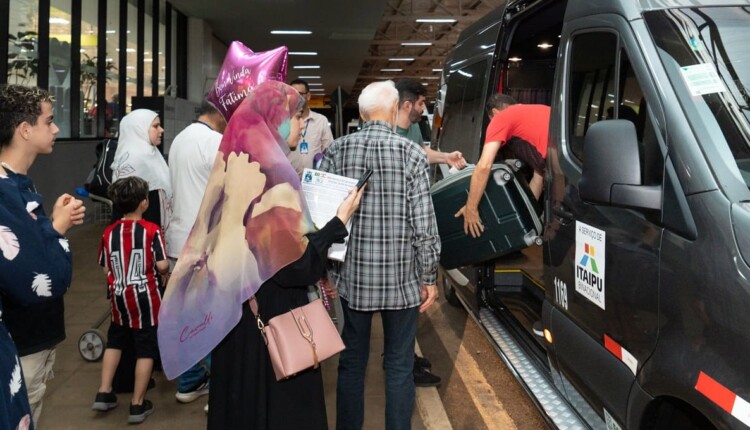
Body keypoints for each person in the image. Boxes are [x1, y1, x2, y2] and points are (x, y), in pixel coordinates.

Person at [156, 81, 364, 429]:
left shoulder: (238, 168)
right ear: (277, 122)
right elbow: (297, 268)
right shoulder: (275, 177)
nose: (300, 125)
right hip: (274, 320)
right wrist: (337, 223)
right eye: (297, 117)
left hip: (237, 324)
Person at [320, 80, 441, 429]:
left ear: (360, 113)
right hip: (401, 283)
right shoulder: (412, 155)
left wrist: (323, 268)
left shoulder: (337, 151)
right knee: (400, 367)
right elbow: (424, 226)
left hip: (350, 281)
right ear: (392, 112)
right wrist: (428, 276)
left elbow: (321, 217)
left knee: (352, 364)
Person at [0, 84, 85, 430]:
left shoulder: (19, 185)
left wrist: (49, 223)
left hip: (35, 339)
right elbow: (42, 276)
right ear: (24, 129)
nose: (55, 129)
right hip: (23, 342)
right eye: (48, 121)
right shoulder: (5, 193)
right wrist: (57, 229)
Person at [92, 176, 168, 425]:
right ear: (144, 202)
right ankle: (137, 404)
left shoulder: (109, 232)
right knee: (145, 349)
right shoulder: (151, 230)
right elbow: (161, 264)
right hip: (146, 300)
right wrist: (165, 273)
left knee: (115, 341)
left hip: (119, 299)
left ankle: (104, 391)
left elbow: (105, 269)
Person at [166, 99, 227, 406]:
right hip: (205, 243)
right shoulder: (216, 141)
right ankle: (219, 388)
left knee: (188, 316)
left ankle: (189, 381)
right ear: (220, 113)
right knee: (213, 319)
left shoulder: (180, 139)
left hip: (180, 240)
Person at [456, 94, 551, 238]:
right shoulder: (543, 111)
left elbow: (484, 166)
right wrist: (524, 219)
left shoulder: (502, 117)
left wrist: (471, 207)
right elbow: (538, 178)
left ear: (494, 113)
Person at [111, 109, 171, 233]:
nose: (161, 130)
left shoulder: (151, 152)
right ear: (139, 129)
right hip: (138, 234)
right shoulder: (133, 158)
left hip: (152, 228)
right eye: (156, 126)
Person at [395, 78, 466, 169]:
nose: (424, 108)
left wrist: (446, 157)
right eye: (420, 103)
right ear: (407, 106)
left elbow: (423, 151)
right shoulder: (387, 133)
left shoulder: (414, 126)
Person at [287, 78, 334, 177]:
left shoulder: (321, 120)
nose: (295, 97)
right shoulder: (284, 120)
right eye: (292, 93)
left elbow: (329, 150)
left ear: (308, 96)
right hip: (288, 178)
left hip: (313, 180)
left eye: (299, 94)